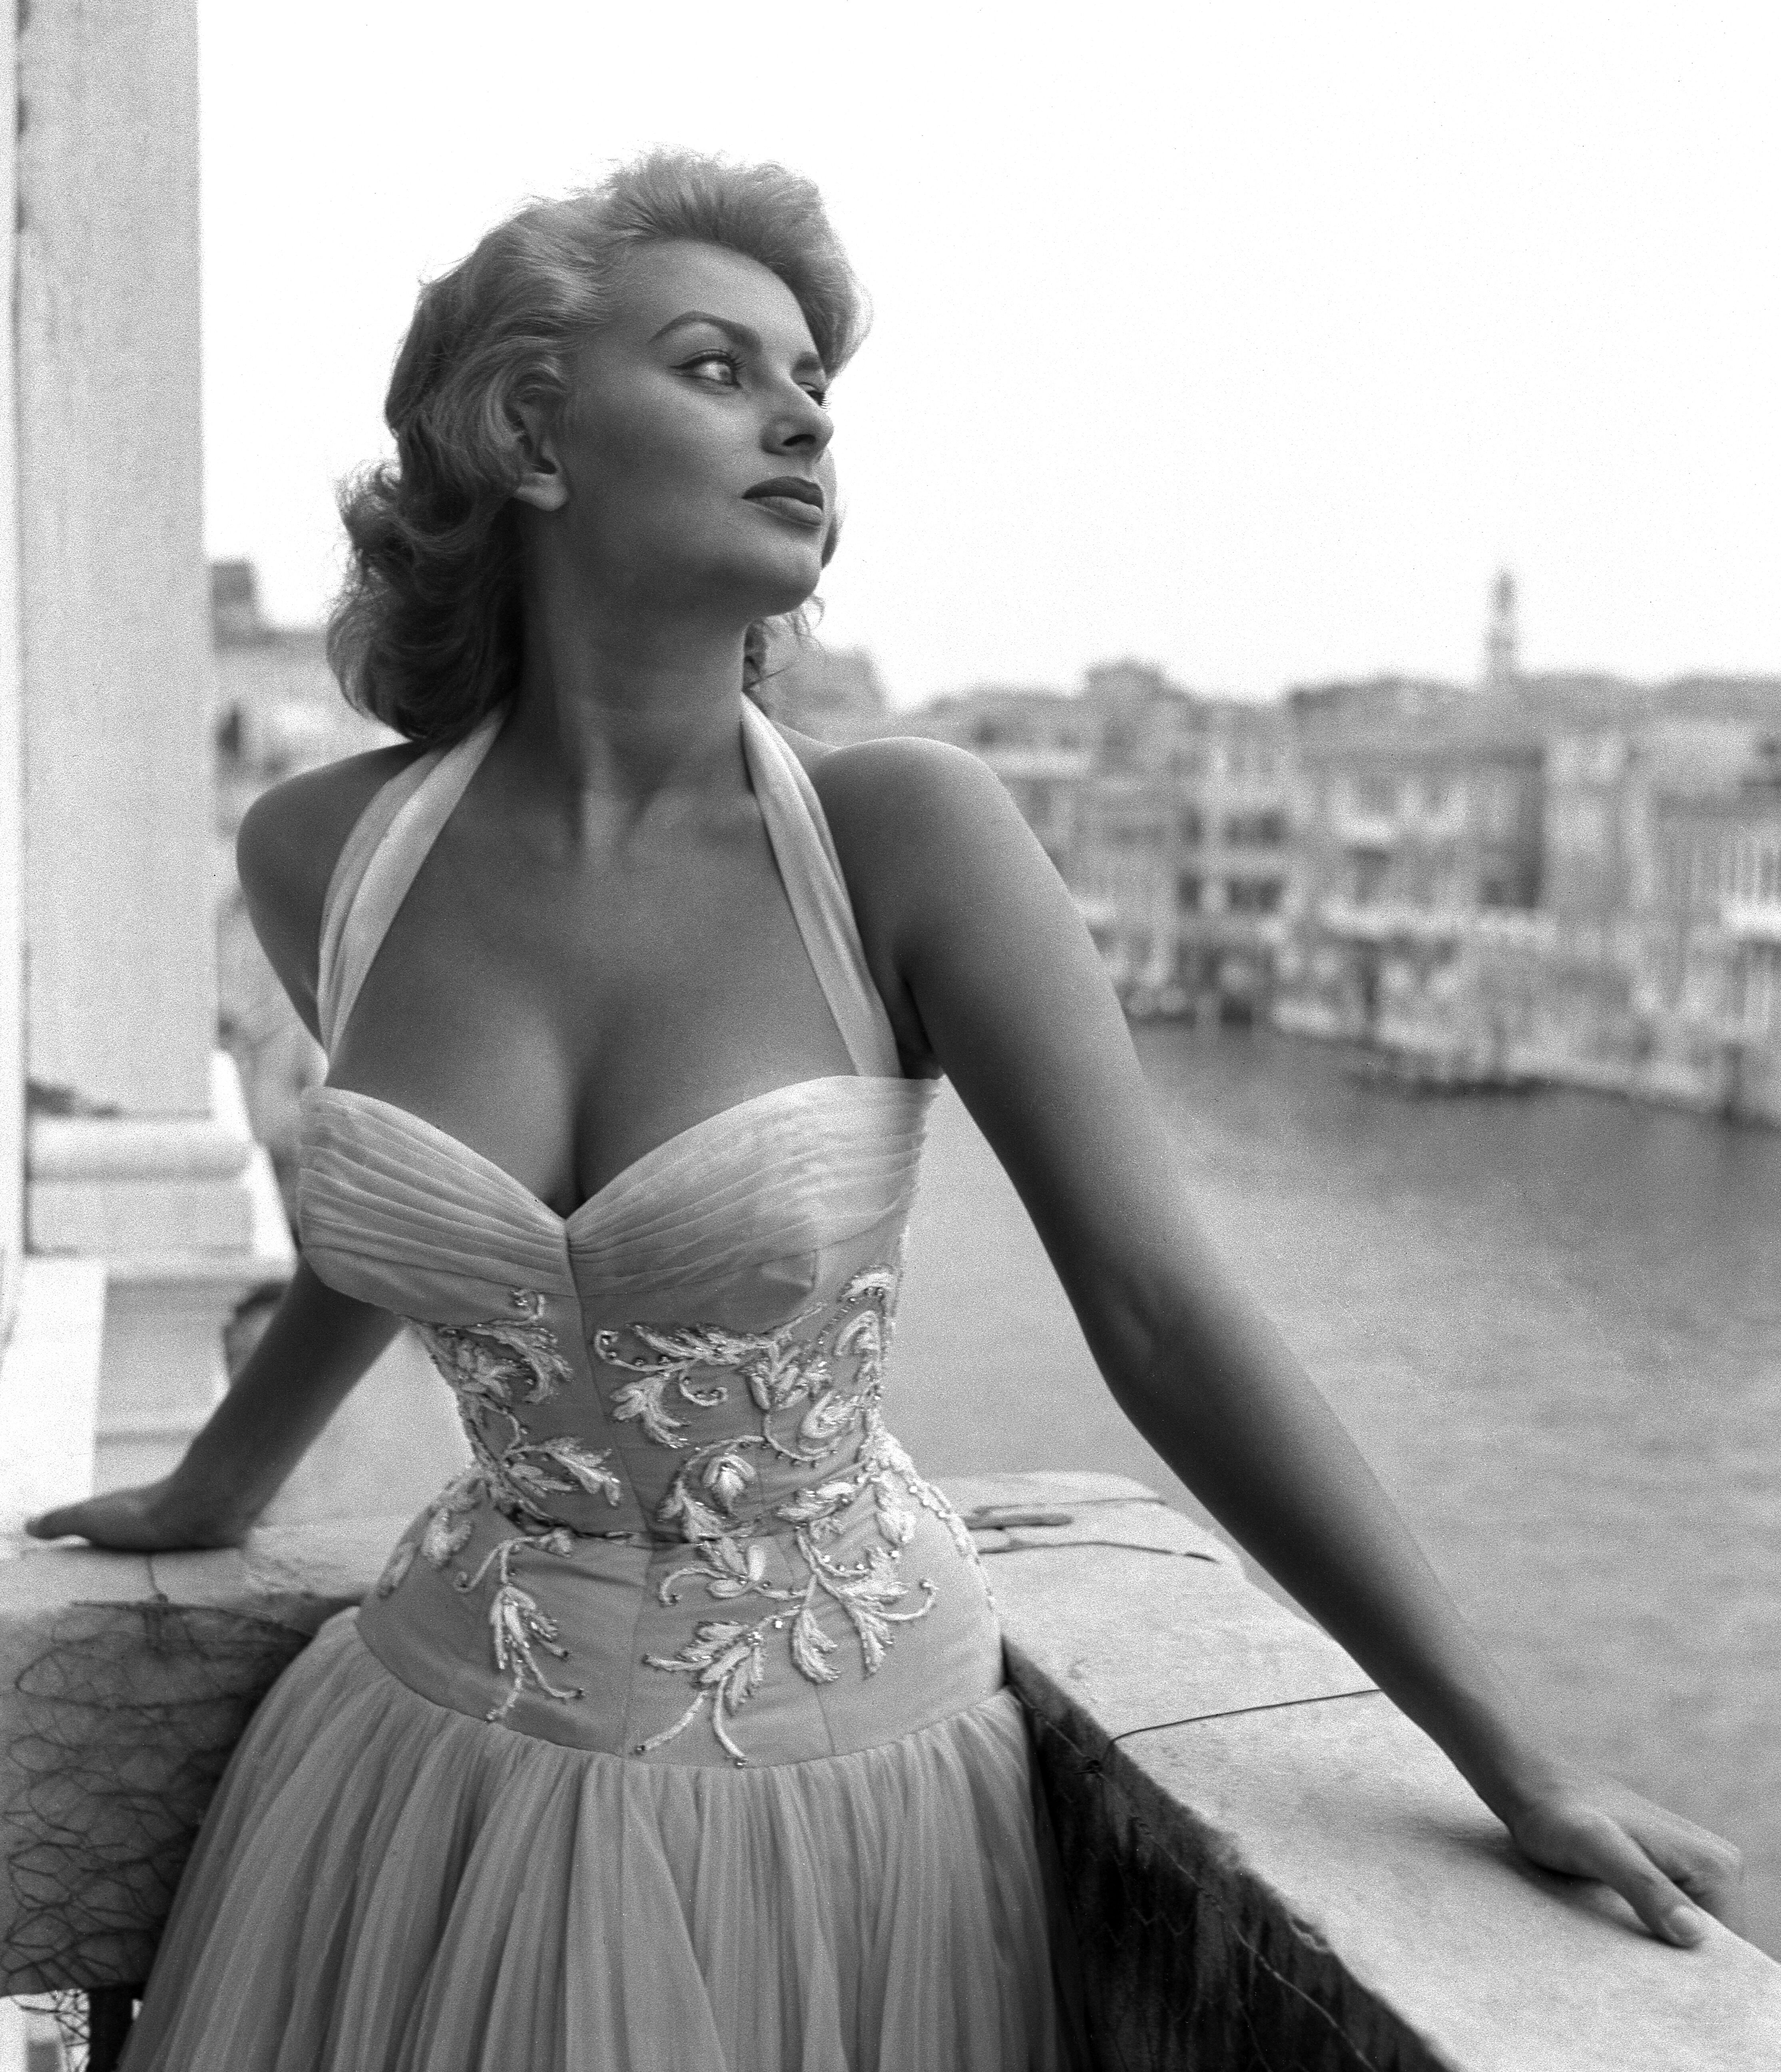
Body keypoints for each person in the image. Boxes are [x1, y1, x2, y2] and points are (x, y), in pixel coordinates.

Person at [29, 149, 1741, 2070]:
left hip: (833, 1806)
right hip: (423, 1771)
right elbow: (428, 1213)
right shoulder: (323, 851)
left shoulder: (904, 836)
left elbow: (1161, 1315)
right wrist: (217, 1486)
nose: (801, 420)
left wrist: (1503, 1748)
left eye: (814, 389)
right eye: (716, 366)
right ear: (528, 427)